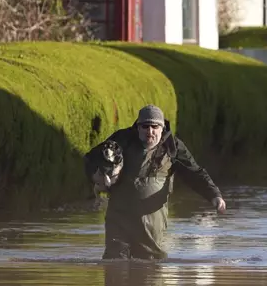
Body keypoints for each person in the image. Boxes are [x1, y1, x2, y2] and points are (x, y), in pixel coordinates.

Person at [83, 104, 226, 260]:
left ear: (162, 128)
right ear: (138, 127)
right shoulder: (122, 139)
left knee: (151, 268)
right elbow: (91, 159)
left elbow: (194, 173)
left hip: (153, 222)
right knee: (114, 264)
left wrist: (214, 195)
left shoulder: (173, 147)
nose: (150, 132)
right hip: (119, 217)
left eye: (155, 127)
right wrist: (98, 175)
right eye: (145, 126)